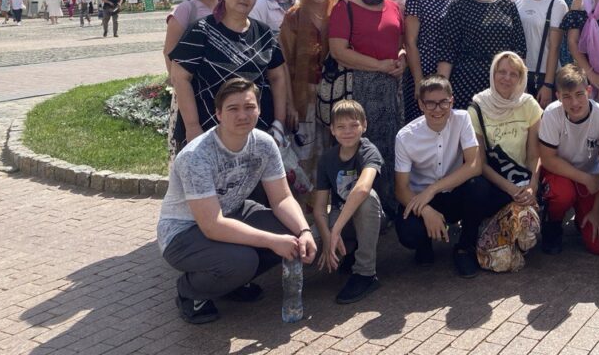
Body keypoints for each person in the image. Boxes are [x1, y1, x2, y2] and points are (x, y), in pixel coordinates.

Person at [157, 78, 317, 325]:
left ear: (259, 110)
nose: (243, 115)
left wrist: (304, 231)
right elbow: (212, 225)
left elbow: (282, 197)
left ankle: (230, 282)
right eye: (233, 108)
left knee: (291, 232)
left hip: (233, 213)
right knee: (242, 261)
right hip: (183, 232)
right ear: (218, 114)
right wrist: (273, 241)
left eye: (249, 107)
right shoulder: (196, 156)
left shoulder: (263, 143)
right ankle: (190, 292)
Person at [169, 0, 289, 154]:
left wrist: (279, 122)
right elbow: (180, 78)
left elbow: (278, 76)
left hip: (255, 129)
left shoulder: (263, 32)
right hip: (206, 129)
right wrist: (192, 126)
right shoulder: (201, 30)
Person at [394, 75, 500, 278]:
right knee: (409, 233)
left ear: (451, 101)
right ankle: (424, 244)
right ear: (420, 105)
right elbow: (401, 189)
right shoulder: (405, 137)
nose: (438, 109)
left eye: (443, 102)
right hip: (421, 199)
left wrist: (433, 189)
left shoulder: (461, 119)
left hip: (452, 192)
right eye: (430, 103)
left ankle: (464, 248)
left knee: (479, 187)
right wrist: (425, 210)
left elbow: (475, 165)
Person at [328, 0, 405, 216]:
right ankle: (364, 210)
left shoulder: (393, 7)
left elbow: (401, 45)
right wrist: (380, 65)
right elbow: (338, 50)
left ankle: (392, 207)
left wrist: (401, 61)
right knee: (361, 146)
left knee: (393, 146)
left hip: (392, 90)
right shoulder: (346, 7)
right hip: (360, 89)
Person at [469, 52, 543, 267]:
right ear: (493, 73)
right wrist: (511, 189)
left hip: (523, 183)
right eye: (501, 72)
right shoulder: (478, 107)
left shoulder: (529, 104)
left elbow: (534, 154)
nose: (506, 78)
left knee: (527, 231)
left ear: (521, 78)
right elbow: (479, 162)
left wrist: (532, 187)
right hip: (494, 185)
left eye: (514, 74)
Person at [538, 64, 599, 255]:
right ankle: (553, 223)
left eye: (579, 94)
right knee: (562, 193)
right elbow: (547, 160)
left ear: (589, 91)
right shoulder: (551, 113)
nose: (574, 103)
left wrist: (597, 211)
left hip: (592, 176)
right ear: (558, 96)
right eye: (567, 96)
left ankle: (585, 218)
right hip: (561, 173)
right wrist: (584, 178)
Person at [311, 99, 383, 304]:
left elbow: (362, 189)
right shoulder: (327, 159)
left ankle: (366, 273)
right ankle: (348, 251)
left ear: (364, 125)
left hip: (371, 216)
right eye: (341, 127)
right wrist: (326, 238)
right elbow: (319, 208)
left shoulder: (368, 151)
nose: (348, 131)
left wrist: (335, 231)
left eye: (354, 125)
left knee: (367, 199)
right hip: (339, 214)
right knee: (309, 245)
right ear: (332, 130)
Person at [438, 0, 527, 108]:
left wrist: (521, 86)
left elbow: (519, 50)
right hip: (467, 83)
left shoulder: (508, 6)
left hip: (503, 82)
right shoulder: (459, 7)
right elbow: (447, 51)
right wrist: (441, 91)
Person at [280, 0, 340, 188]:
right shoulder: (294, 17)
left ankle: (329, 206)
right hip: (302, 96)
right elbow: (283, 62)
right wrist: (289, 105)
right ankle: (304, 211)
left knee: (332, 149)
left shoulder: (339, 13)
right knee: (304, 153)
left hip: (335, 96)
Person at [404, 0, 459, 122]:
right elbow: (410, 42)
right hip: (424, 67)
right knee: (424, 121)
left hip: (452, 67)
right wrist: (419, 81)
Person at [515, 0, 567, 107]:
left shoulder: (557, 4)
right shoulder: (518, 1)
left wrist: (548, 84)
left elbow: (554, 47)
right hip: (520, 75)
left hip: (545, 75)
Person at [163, 0, 230, 75]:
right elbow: (169, 50)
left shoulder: (229, 8)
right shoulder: (187, 9)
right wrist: (175, 80)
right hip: (193, 75)